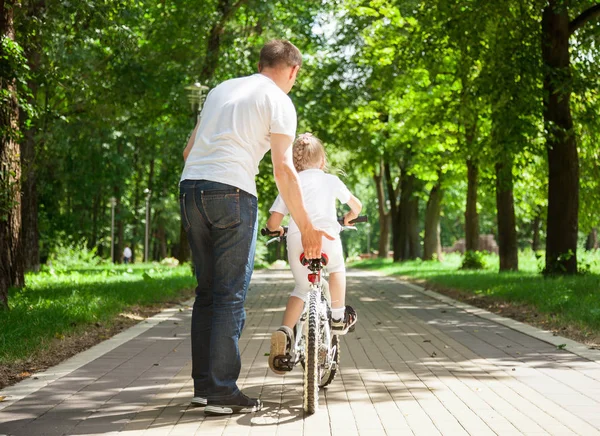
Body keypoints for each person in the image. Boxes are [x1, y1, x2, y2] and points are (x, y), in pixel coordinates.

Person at [179, 40, 333, 416]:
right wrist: (306, 226)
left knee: (208, 293)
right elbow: (283, 169)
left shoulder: (220, 90)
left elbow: (188, 151)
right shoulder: (279, 100)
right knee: (229, 295)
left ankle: (204, 387)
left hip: (191, 189)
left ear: (261, 63)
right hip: (232, 193)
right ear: (293, 71)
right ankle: (221, 392)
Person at [265, 133, 362, 374]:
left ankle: (286, 332)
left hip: (298, 238)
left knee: (301, 288)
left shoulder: (289, 182)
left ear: (295, 163)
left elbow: (273, 221)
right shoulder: (330, 180)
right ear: (321, 161)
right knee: (337, 268)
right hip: (327, 236)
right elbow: (356, 206)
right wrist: (349, 218)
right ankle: (338, 316)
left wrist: (277, 230)